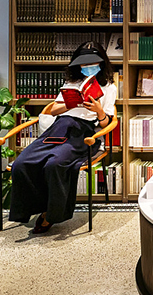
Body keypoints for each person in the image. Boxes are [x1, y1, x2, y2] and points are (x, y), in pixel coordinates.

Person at [8, 43, 117, 234]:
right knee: (22, 163)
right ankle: (30, 208)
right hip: (58, 127)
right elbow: (54, 109)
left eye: (93, 63)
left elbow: (106, 123)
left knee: (55, 164)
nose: (88, 67)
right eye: (84, 64)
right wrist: (72, 102)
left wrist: (98, 111)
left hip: (83, 132)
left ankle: (50, 213)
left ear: (101, 63)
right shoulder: (71, 84)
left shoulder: (109, 87)